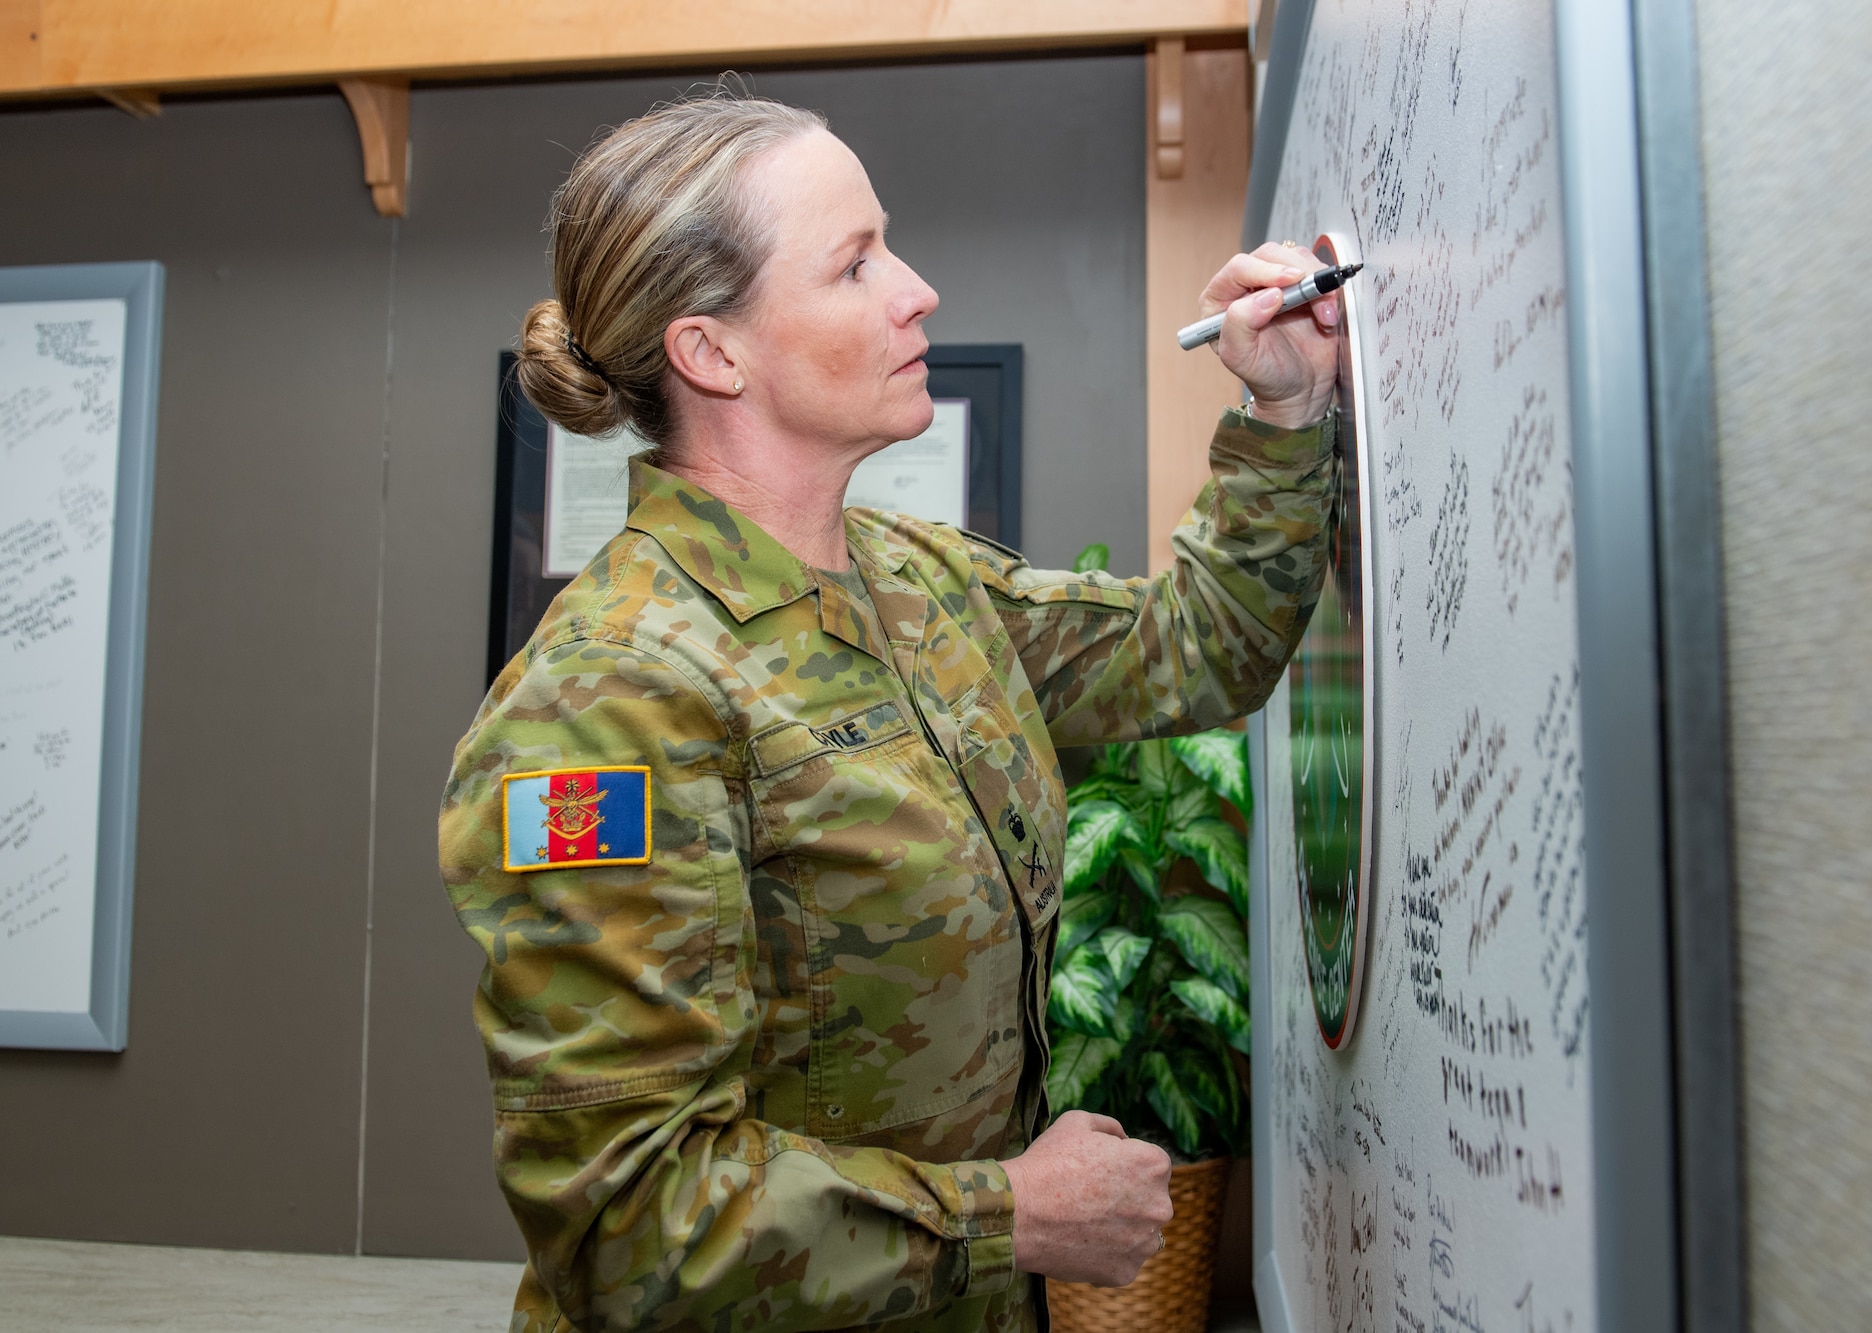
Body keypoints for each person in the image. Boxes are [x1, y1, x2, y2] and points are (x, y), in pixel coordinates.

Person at [438, 92, 1346, 1333]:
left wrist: (1282, 407)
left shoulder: (916, 580)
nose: (915, 290)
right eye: (855, 263)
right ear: (713, 353)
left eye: (890, 245)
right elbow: (631, 1227)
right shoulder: (608, 701)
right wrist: (1012, 1214)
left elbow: (1184, 649)